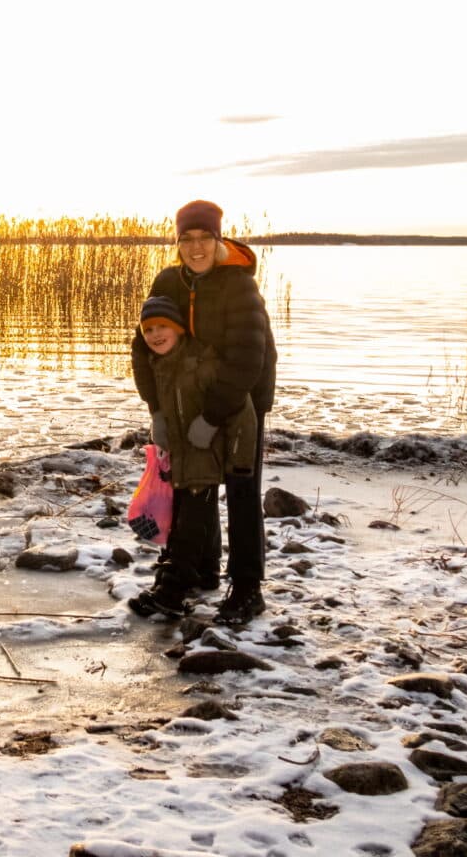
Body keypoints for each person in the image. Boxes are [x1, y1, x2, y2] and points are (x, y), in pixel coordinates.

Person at [131, 200, 277, 625]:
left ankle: (248, 589)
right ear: (178, 243)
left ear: (218, 240)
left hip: (242, 400)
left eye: (204, 239)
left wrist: (213, 417)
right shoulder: (167, 281)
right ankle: (200, 571)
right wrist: (156, 409)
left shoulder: (238, 285)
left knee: (242, 490)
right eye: (187, 239)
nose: (196, 248)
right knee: (193, 484)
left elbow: (249, 359)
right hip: (188, 400)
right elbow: (144, 345)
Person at [127, 295, 258, 619]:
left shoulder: (201, 365)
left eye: (163, 327)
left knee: (189, 527)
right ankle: (205, 573)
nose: (156, 335)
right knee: (182, 517)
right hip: (182, 455)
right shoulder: (161, 365)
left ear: (180, 329)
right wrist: (158, 424)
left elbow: (241, 411)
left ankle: (172, 592)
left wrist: (239, 457)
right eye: (149, 329)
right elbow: (167, 407)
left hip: (205, 456)